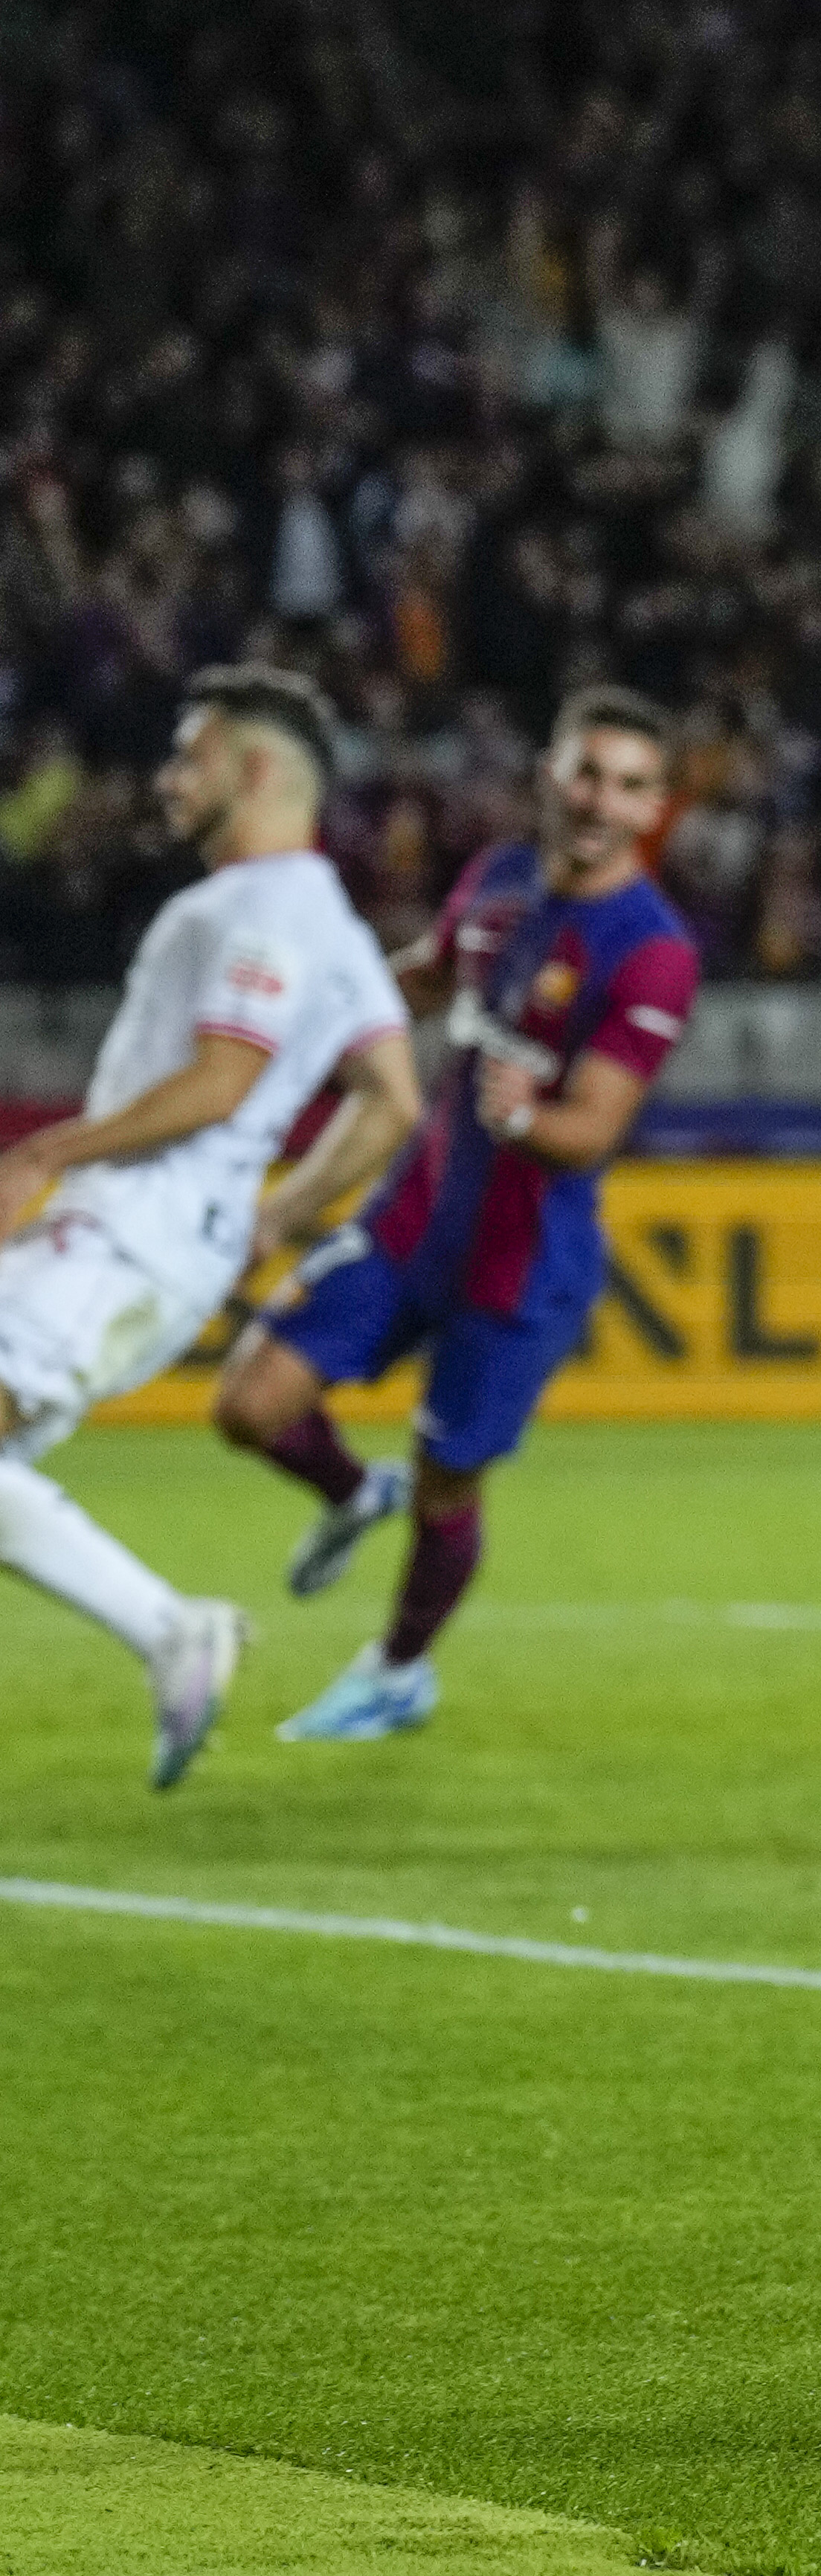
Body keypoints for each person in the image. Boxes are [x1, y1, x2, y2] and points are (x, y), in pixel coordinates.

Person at [220, 688, 699, 1744]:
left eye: (627, 785)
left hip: (520, 1261)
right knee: (250, 1403)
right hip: (413, 1218)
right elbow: (428, 981)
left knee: (448, 1483)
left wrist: (531, 1116)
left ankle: (396, 1669)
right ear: (548, 772)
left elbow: (595, 1128)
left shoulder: (652, 949)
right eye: (586, 773)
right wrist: (314, 1013)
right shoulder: (498, 879)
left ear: (656, 804)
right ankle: (351, 1494)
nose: (599, 802)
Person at [1, 669, 415, 1786]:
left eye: (191, 755)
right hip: (158, 1238)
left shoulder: (263, 908)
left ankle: (172, 1627)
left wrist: (45, 1151)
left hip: (124, 1232)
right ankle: (168, 1629)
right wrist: (274, 1213)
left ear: (260, 768)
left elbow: (225, 1079)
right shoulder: (327, 917)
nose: (168, 778)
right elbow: (394, 1096)